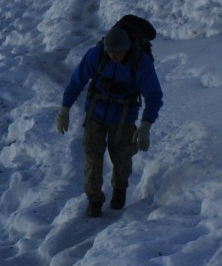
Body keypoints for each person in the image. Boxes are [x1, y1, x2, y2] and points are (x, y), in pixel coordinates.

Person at [56, 25, 163, 218]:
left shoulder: (140, 63)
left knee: (121, 159)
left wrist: (145, 125)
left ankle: (119, 189)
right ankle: (94, 200)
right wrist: (64, 109)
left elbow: (154, 95)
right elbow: (77, 80)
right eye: (110, 52)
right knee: (93, 159)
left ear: (127, 49)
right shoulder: (97, 55)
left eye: (118, 53)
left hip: (124, 117)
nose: (113, 56)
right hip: (95, 115)